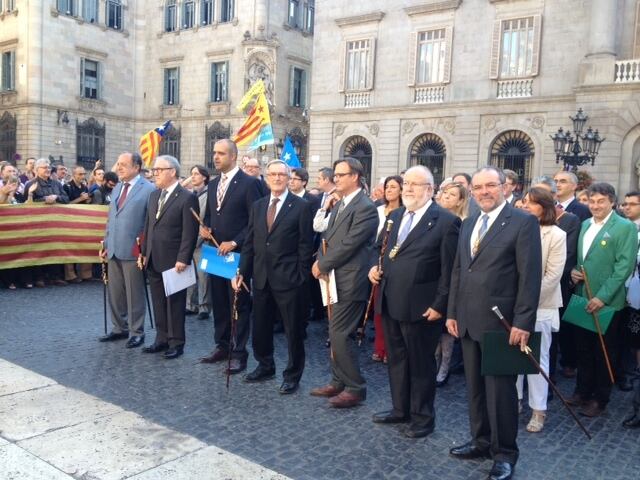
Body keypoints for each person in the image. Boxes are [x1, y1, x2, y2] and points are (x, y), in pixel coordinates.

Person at [446, 166, 542, 480]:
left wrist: (523, 321)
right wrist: (452, 312)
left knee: (500, 395)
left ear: (504, 187)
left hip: (503, 325)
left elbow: (529, 277)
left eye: (491, 185)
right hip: (468, 320)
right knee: (474, 389)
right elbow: (460, 270)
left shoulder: (523, 222)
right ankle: (481, 441)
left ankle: (505, 455)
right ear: (471, 192)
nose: (484, 192)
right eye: (478, 187)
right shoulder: (470, 222)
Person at [369, 166, 459, 438]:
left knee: (420, 365)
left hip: (423, 307)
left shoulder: (445, 221)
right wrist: (374, 267)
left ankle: (422, 418)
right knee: (396, 361)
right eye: (405, 183)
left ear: (430, 189)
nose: (407, 188)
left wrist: (441, 304)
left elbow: (450, 268)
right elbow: (379, 250)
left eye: (415, 184)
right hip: (390, 300)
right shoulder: (395, 216)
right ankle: (400, 409)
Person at [233, 160, 313, 394]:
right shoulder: (258, 206)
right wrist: (242, 273)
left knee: (293, 330)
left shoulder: (301, 206)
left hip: (290, 280)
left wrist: (300, 276)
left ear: (289, 178)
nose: (277, 178)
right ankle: (265, 365)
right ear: (266, 178)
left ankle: (292, 374)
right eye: (273, 174)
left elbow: (305, 246)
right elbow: (250, 243)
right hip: (261, 277)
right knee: (261, 326)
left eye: (282, 174)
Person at [310, 158, 378, 408]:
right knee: (333, 332)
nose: (335, 179)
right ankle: (338, 380)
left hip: (350, 279)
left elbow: (351, 243)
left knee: (340, 334)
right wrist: (320, 260)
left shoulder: (365, 207)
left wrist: (323, 264)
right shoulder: (341, 203)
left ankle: (355, 387)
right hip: (334, 278)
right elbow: (327, 237)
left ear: (356, 177)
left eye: (340, 175)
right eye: (335, 175)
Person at [569, 182, 637, 417]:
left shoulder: (624, 227)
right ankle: (582, 391)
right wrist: (574, 272)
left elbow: (624, 266)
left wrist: (602, 296)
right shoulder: (586, 223)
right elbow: (584, 259)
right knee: (583, 349)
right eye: (591, 201)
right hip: (582, 298)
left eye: (601, 201)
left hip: (606, 302)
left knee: (604, 352)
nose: (595, 206)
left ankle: (600, 397)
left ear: (612, 203)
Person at [199, 139, 263, 373]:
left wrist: (235, 241)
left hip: (238, 255)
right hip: (216, 253)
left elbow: (255, 221)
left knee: (238, 304)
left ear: (233, 156)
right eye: (214, 152)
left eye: (221, 153)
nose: (216, 157)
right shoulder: (214, 183)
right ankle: (222, 345)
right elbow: (210, 216)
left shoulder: (249, 184)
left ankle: (239, 353)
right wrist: (205, 229)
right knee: (220, 303)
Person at [517, 187, 566, 432]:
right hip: (513, 306)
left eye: (531, 203)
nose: (525, 206)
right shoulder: (516, 228)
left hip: (540, 306)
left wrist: (526, 302)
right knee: (512, 358)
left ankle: (538, 410)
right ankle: (513, 400)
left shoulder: (556, 235)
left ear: (544, 207)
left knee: (537, 361)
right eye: (524, 201)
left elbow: (552, 276)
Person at [141, 155, 199, 359]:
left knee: (174, 303)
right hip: (153, 258)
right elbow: (149, 227)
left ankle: (176, 342)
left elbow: (189, 232)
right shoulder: (154, 196)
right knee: (158, 301)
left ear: (172, 172)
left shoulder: (186, 197)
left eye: (158, 170)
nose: (154, 174)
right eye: (154, 170)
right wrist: (143, 253)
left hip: (175, 260)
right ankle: (161, 338)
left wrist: (183, 258)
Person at [100, 153, 156, 348]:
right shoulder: (116, 188)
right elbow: (111, 219)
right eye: (118, 164)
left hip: (134, 250)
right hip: (114, 248)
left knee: (135, 294)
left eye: (123, 165)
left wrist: (144, 248)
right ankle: (119, 328)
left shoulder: (149, 189)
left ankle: (136, 331)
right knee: (115, 293)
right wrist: (106, 243)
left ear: (137, 167)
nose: (119, 168)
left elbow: (150, 223)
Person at [531, 175, 581, 381]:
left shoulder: (568, 221)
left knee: (546, 344)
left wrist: (532, 294)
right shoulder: (524, 224)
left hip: (551, 290)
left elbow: (566, 258)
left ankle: (547, 380)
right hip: (522, 295)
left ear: (552, 198)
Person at [435, 180, 469, 386]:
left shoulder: (465, 223)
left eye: (452, 195)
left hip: (452, 280)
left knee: (447, 330)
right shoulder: (434, 218)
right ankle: (436, 363)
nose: (446, 197)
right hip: (435, 279)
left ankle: (444, 367)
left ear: (461, 200)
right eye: (444, 193)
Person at [371, 175, 403, 363]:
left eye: (393, 186)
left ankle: (390, 349)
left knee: (393, 312)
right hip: (380, 265)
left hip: (398, 268)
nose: (389, 190)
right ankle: (380, 346)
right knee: (379, 310)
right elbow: (377, 242)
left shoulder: (404, 212)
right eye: (387, 187)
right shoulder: (380, 210)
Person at [185, 165, 212, 320]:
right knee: (190, 275)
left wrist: (197, 239)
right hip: (190, 241)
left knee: (204, 276)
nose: (193, 176)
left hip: (202, 241)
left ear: (204, 177)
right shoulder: (191, 194)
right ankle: (191, 305)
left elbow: (204, 220)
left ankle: (204, 307)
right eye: (192, 174)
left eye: (196, 174)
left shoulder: (208, 194)